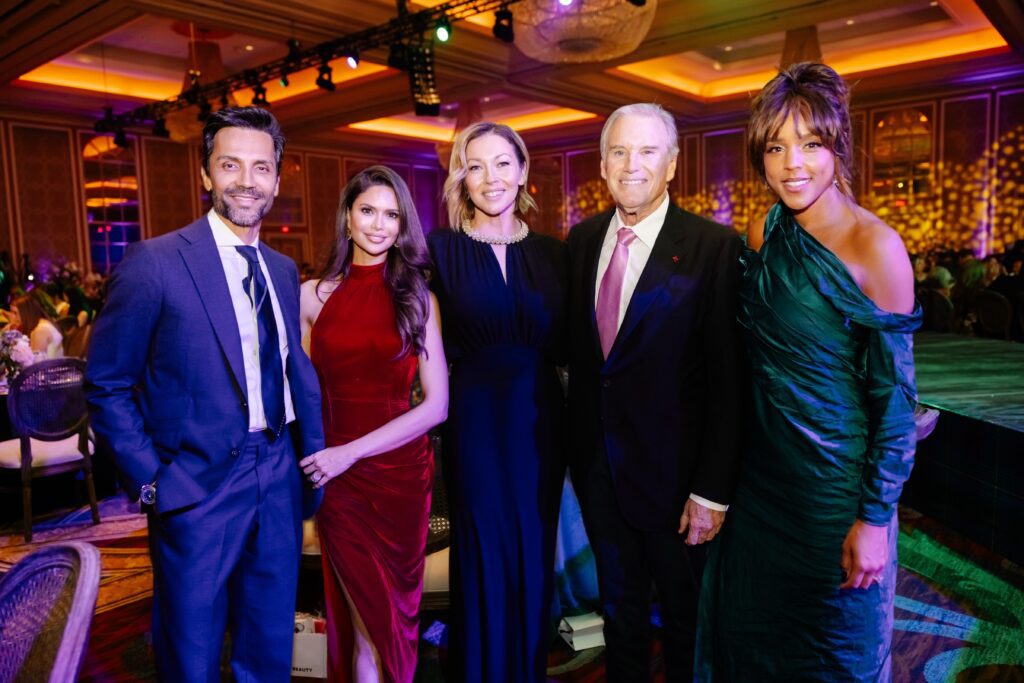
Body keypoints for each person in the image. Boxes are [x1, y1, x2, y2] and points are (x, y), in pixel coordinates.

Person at [695, 62, 921, 680]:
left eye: (811, 144)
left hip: (833, 492)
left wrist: (875, 520)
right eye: (776, 147)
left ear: (838, 146)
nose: (793, 164)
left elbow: (897, 406)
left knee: (833, 653)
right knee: (752, 644)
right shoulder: (764, 230)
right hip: (763, 484)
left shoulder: (876, 248)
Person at [85, 106, 325, 681]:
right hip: (193, 487)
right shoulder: (156, 263)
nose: (247, 180)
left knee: (268, 648)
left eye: (261, 167)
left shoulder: (284, 269)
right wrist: (154, 482)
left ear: (276, 177)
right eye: (231, 165)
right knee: (190, 654)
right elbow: (107, 384)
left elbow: (289, 367)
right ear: (206, 174)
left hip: (278, 473)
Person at [566, 103, 744, 681]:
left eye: (647, 151)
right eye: (619, 151)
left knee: (688, 623)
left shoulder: (713, 247)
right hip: (600, 476)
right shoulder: (582, 240)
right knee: (620, 616)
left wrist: (711, 491)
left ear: (672, 165)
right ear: (601, 165)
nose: (631, 164)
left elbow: (728, 381)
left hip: (678, 489)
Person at [428, 121, 567, 682]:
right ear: (461, 176)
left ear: (523, 171)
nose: (491, 177)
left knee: (533, 551)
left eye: (503, 163)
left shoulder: (557, 255)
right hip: (474, 423)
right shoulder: (438, 252)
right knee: (482, 551)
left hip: (541, 424)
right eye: (476, 165)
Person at [298, 165, 447, 683]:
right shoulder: (312, 296)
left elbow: (436, 406)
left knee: (393, 622)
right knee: (363, 617)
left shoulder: (418, 299)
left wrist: (349, 452)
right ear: (346, 217)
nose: (379, 225)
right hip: (338, 482)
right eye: (368, 211)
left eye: (392, 215)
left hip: (401, 478)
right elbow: (300, 394)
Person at [12, 292, 62, 357]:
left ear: (25, 312)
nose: (14, 317)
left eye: (15, 313)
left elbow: (37, 364)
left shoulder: (39, 330)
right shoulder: (43, 323)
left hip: (53, 366)